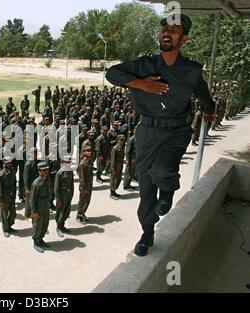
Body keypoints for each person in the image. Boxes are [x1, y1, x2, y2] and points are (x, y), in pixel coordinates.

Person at [106, 13, 215, 257]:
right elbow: (112, 74)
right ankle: (147, 233)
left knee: (163, 171)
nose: (167, 32)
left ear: (183, 39)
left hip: (176, 130)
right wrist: (140, 84)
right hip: (147, 131)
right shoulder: (143, 66)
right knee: (145, 190)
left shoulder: (192, 71)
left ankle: (167, 191)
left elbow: (204, 95)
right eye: (165, 28)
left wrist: (209, 112)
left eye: (174, 30)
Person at [30, 162, 52, 253]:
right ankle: (36, 242)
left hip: (46, 205)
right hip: (39, 207)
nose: (46, 172)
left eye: (47, 170)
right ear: (39, 171)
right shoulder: (36, 184)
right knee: (38, 225)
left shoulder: (47, 180)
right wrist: (34, 212)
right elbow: (32, 199)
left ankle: (41, 239)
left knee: (45, 223)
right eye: (44, 170)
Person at [0, 157, 17, 238]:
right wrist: (1, 200)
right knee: (4, 214)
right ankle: (5, 229)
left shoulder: (12, 172)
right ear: (4, 164)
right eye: (8, 163)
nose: (9, 164)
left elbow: (15, 184)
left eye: (10, 163)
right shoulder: (0, 175)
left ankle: (9, 226)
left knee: (13, 213)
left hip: (11, 196)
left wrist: (14, 194)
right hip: (4, 197)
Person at [54, 156, 74, 237]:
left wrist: (71, 194)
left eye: (70, 162)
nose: (68, 164)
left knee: (66, 210)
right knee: (61, 211)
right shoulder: (60, 173)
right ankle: (58, 227)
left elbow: (71, 183)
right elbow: (56, 188)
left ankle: (62, 225)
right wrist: (58, 199)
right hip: (62, 195)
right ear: (63, 162)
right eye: (67, 162)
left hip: (68, 194)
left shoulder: (70, 171)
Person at [77, 145, 93, 224]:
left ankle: (83, 213)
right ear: (83, 153)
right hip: (84, 186)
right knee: (82, 201)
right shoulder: (82, 164)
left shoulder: (89, 161)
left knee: (87, 201)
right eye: (87, 151)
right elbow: (82, 178)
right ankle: (79, 215)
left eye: (90, 151)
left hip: (89, 184)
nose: (90, 152)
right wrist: (84, 188)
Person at [110, 135, 126, 200]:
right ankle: (112, 192)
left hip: (120, 164)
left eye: (123, 140)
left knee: (118, 178)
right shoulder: (115, 148)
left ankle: (114, 191)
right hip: (116, 165)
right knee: (114, 179)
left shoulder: (122, 147)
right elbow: (113, 160)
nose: (122, 141)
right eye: (121, 140)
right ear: (118, 140)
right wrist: (113, 169)